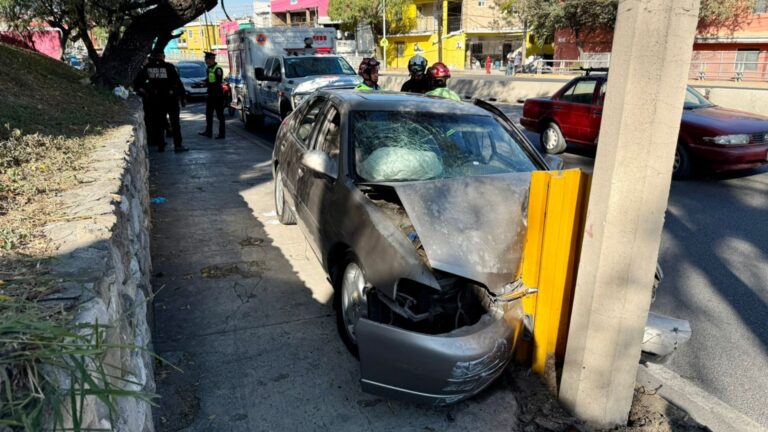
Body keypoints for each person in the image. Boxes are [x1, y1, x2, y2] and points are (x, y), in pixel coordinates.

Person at [133, 48, 188, 152]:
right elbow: (178, 83)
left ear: (153, 57)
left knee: (159, 123)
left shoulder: (148, 67)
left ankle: (161, 146)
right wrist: (183, 97)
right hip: (171, 99)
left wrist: (147, 92)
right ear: (163, 56)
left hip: (156, 100)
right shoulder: (169, 67)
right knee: (175, 123)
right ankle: (178, 145)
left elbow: (137, 83)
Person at [199, 51, 225, 139]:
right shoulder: (209, 68)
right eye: (205, 59)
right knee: (208, 114)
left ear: (211, 59)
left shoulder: (218, 69)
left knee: (220, 115)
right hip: (211, 94)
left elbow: (218, 83)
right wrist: (204, 82)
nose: (205, 60)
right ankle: (208, 132)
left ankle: (221, 134)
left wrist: (207, 84)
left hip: (217, 95)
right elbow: (209, 79)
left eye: (206, 59)